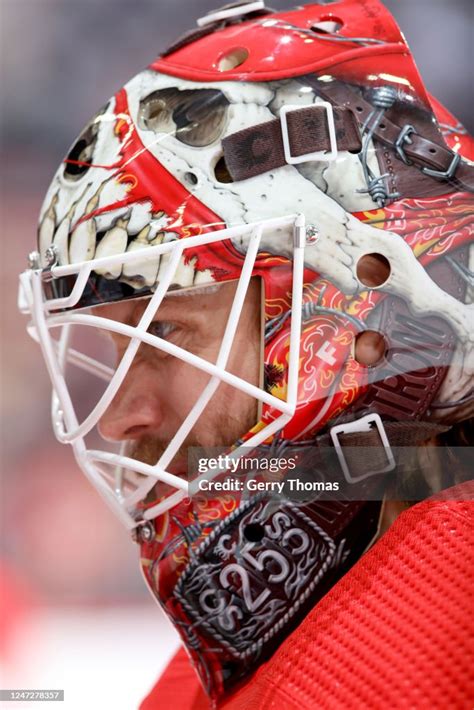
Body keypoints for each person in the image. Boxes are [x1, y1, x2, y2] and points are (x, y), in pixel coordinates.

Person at [18, 0, 473, 707]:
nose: (118, 420)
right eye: (116, 351)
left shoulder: (439, 627)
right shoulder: (225, 660)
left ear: (366, 303)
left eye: (163, 335)